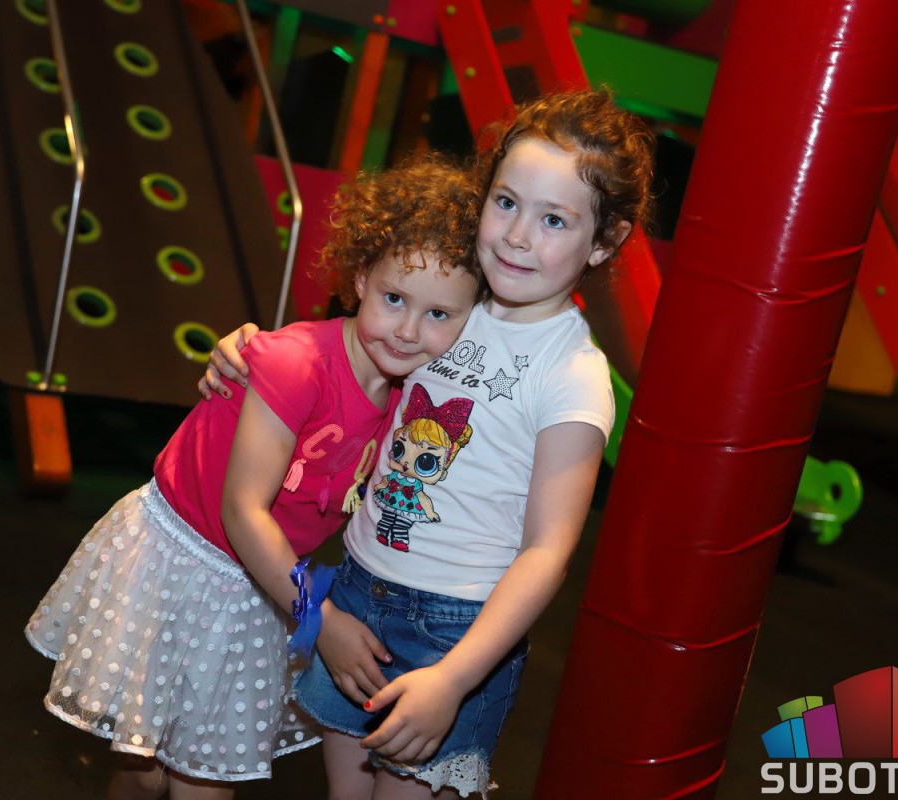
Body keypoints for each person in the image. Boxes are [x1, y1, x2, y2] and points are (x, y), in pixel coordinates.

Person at [198, 90, 655, 799]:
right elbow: (338, 357)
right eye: (506, 202)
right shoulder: (448, 299)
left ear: (605, 240)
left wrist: (455, 677)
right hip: (357, 590)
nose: (517, 236)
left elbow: (547, 551)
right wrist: (249, 346)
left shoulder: (571, 374)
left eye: (554, 220)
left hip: (456, 632)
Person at [25, 156, 486, 800]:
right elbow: (243, 510)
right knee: (151, 769)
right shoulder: (297, 364)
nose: (409, 330)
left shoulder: (411, 403)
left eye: (440, 314)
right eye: (394, 299)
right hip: (181, 565)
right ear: (360, 278)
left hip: (263, 583)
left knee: (192, 775)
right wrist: (318, 619)